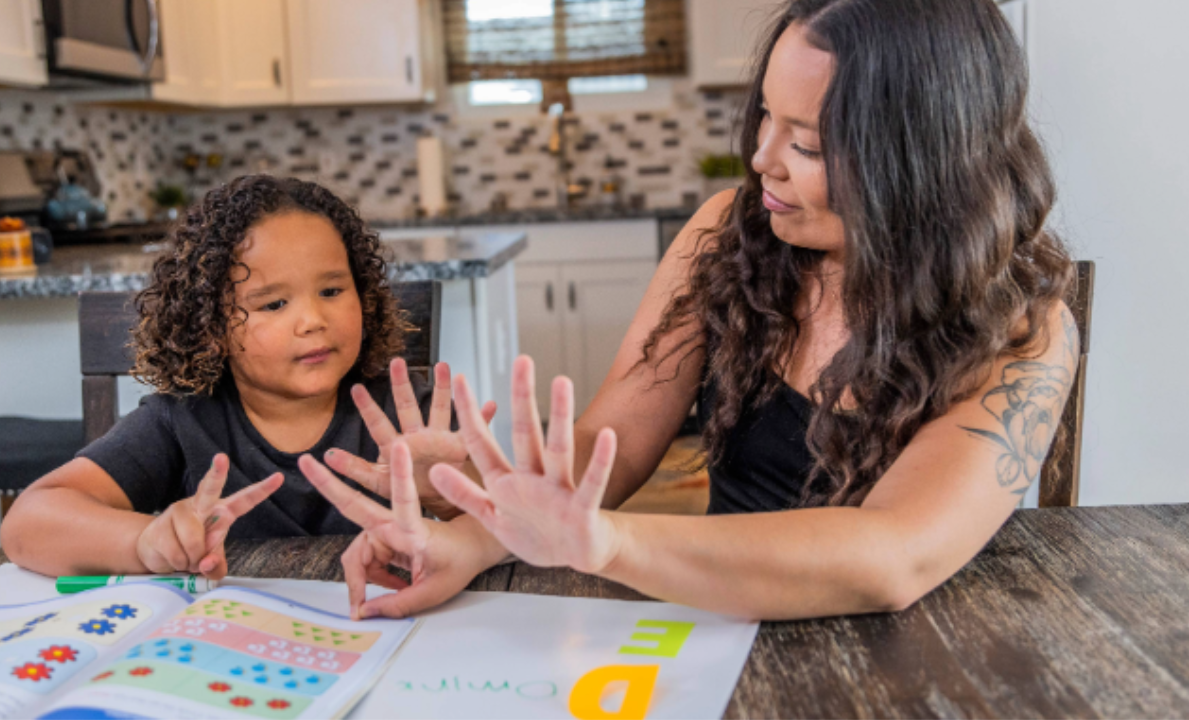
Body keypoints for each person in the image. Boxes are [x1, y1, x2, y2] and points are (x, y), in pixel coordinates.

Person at [298, 0, 1079, 621]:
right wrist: (477, 520)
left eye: (807, 144)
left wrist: (603, 543)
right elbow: (615, 438)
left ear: (921, 162)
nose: (762, 158)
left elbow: (891, 557)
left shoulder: (1022, 331)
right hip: (710, 625)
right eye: (766, 117)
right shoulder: (727, 236)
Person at [1, 175, 492, 581]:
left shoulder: (406, 420)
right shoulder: (181, 422)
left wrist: (444, 495)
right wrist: (146, 541)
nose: (312, 320)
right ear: (209, 326)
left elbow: (508, 525)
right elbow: (28, 524)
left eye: (331, 289)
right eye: (274, 304)